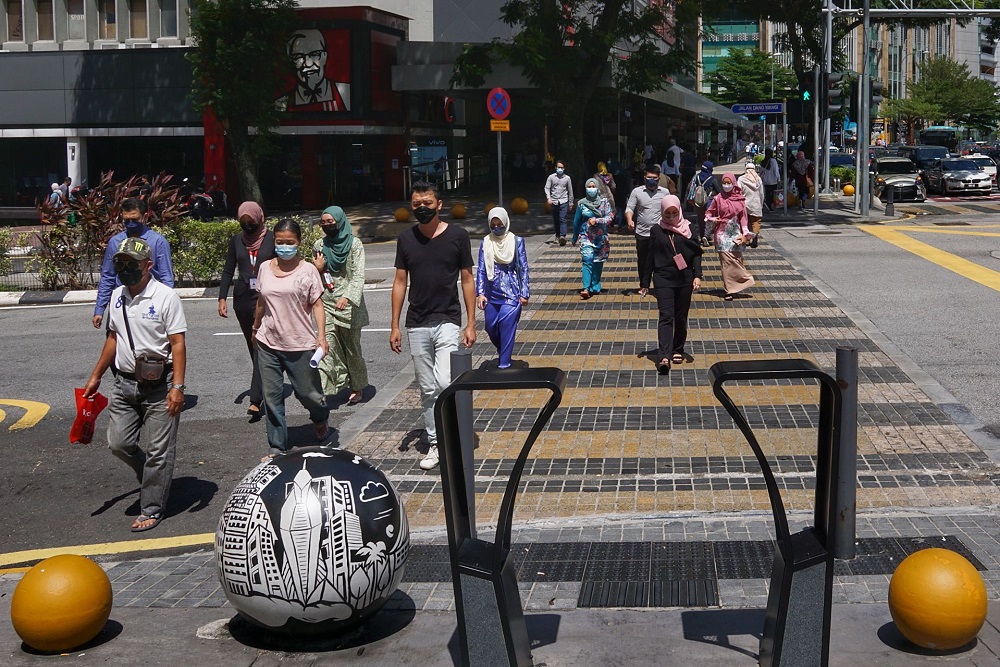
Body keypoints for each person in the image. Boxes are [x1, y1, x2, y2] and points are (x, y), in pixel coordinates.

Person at [82, 237, 187, 533]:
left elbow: (178, 344)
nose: (125, 269)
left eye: (132, 264)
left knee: (158, 450)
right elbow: (113, 339)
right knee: (119, 443)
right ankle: (155, 477)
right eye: (120, 263)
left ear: (148, 266)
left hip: (160, 384)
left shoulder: (166, 297)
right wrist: (96, 375)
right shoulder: (117, 296)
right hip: (124, 384)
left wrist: (177, 387)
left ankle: (152, 507)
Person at [390, 181, 477, 471]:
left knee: (443, 382)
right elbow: (400, 282)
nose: (422, 208)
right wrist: (395, 325)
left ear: (439, 205)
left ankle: (454, 430)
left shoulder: (458, 236)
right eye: (416, 205)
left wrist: (471, 322)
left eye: (427, 203)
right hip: (417, 323)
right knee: (427, 388)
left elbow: (467, 279)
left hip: (448, 320)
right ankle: (436, 443)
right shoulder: (406, 238)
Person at [251, 218, 331, 459]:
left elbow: (317, 305)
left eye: (290, 242)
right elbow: (262, 301)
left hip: (300, 343)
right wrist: (255, 328)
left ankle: (320, 417)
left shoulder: (308, 270)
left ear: (299, 243)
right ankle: (277, 447)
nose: (285, 246)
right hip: (268, 342)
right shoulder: (264, 267)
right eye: (280, 242)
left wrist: (321, 337)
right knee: (272, 397)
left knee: (309, 394)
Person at [218, 201, 276, 421]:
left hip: (266, 299)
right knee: (254, 347)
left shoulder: (272, 238)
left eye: (251, 223)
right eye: (243, 224)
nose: (247, 227)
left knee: (260, 344)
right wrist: (222, 297)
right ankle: (264, 387)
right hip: (243, 299)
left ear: (259, 218)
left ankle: (255, 400)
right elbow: (227, 269)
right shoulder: (236, 241)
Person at [312, 206, 369, 405]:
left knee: (351, 349)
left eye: (331, 222)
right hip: (326, 303)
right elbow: (315, 275)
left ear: (340, 221)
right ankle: (324, 391)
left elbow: (359, 275)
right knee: (326, 347)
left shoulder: (355, 244)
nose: (327, 226)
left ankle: (357, 386)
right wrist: (317, 269)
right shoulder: (319, 244)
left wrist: (347, 297)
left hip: (349, 306)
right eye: (323, 222)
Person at [93, 198, 174, 328]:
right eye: (127, 220)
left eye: (135, 219)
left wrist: (166, 306)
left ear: (144, 216)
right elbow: (107, 277)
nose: (130, 223)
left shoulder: (157, 242)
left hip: (150, 303)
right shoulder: (115, 242)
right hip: (122, 302)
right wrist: (99, 309)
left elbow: (166, 277)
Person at [650, 195, 703, 374]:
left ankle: (677, 348)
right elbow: (649, 255)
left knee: (681, 316)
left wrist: (698, 275)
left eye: (674, 212)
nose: (671, 216)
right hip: (663, 278)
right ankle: (664, 355)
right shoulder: (656, 230)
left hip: (685, 278)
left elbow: (696, 253)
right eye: (668, 213)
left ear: (679, 210)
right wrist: (644, 282)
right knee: (666, 315)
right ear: (662, 212)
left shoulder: (688, 228)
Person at [476, 207, 529, 368]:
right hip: (491, 292)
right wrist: (480, 293)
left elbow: (523, 268)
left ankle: (504, 363)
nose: (497, 228)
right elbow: (481, 269)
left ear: (506, 223)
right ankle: (503, 350)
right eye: (493, 225)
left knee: (506, 326)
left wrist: (524, 293)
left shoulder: (516, 241)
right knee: (490, 327)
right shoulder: (486, 242)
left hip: (511, 292)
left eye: (500, 224)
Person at [705, 173, 755, 301]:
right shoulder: (718, 198)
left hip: (736, 233)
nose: (726, 185)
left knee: (737, 261)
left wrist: (745, 235)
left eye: (729, 182)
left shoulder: (740, 199)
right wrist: (713, 219)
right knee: (726, 263)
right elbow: (708, 213)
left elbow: (743, 218)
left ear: (734, 183)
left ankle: (737, 286)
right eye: (724, 182)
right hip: (722, 233)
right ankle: (729, 289)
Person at [626, 165, 669, 297]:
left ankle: (659, 285)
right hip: (642, 233)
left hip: (660, 232)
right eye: (649, 177)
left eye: (654, 178)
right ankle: (644, 285)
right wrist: (629, 220)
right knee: (643, 261)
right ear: (644, 177)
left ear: (658, 178)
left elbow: (671, 209)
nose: (651, 180)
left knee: (660, 260)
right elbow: (629, 208)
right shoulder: (637, 192)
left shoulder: (665, 193)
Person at [286, 29, 350, 112]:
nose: (308, 64)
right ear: (290, 62)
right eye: (298, 56)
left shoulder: (347, 94)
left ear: (325, 56)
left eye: (315, 54)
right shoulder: (282, 103)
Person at [572, 178, 613, 299]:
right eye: (588, 187)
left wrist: (598, 220)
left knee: (598, 262)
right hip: (586, 236)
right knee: (587, 260)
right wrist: (574, 237)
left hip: (600, 238)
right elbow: (576, 221)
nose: (591, 189)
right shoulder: (581, 203)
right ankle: (586, 288)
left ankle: (595, 285)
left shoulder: (604, 202)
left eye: (593, 186)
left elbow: (610, 217)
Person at [687, 162, 721, 247]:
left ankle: (702, 236)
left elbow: (689, 188)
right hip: (709, 201)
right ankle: (706, 235)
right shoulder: (712, 179)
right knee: (709, 219)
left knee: (700, 219)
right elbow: (719, 190)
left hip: (698, 201)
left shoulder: (696, 177)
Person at [544, 160, 574, 246]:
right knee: (556, 219)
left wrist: (571, 202)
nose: (559, 169)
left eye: (561, 167)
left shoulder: (567, 178)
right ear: (555, 168)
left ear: (564, 168)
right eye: (558, 167)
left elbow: (570, 190)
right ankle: (557, 236)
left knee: (562, 218)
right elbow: (547, 188)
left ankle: (562, 236)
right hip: (554, 201)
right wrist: (548, 198)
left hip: (564, 200)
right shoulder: (551, 177)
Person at [738, 163, 764, 249]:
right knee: (756, 222)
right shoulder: (758, 179)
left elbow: (738, 192)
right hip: (756, 204)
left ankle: (747, 239)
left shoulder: (741, 179)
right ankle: (755, 238)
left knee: (745, 222)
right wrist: (761, 203)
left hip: (745, 204)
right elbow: (761, 193)